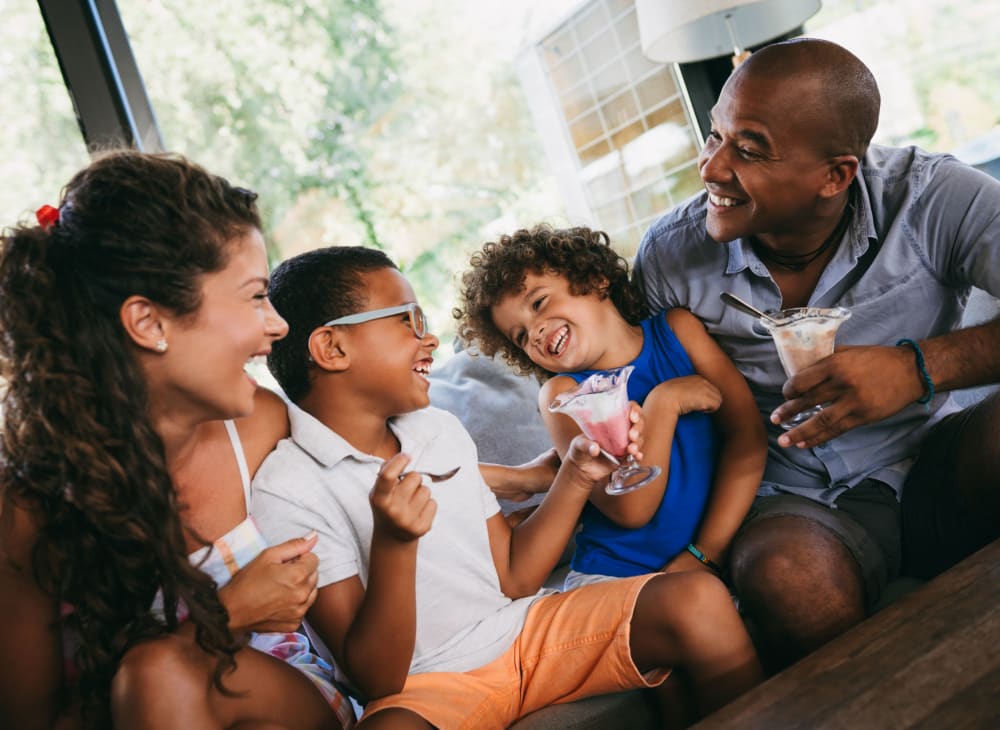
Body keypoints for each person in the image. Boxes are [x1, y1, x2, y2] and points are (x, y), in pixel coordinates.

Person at [251, 245, 763, 728]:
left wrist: (577, 474)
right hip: (427, 685)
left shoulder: (438, 428)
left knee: (697, 599)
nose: (428, 339)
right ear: (333, 347)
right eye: (408, 321)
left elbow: (515, 577)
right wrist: (395, 544)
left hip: (525, 631)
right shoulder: (286, 489)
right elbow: (376, 678)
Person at [633, 37, 1000, 670]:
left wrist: (919, 367)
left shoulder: (932, 198)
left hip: (938, 458)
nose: (713, 169)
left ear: (836, 175)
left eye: (748, 151)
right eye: (713, 137)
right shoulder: (670, 259)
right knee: (787, 578)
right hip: (795, 503)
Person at [0, 150, 352, 729]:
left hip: (281, 707)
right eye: (255, 295)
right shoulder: (29, 511)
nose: (279, 324)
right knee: (157, 671)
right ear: (150, 323)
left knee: (159, 669)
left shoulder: (261, 425)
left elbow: (371, 464)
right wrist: (227, 614)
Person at [455, 224, 766, 589]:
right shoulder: (562, 395)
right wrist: (664, 404)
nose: (535, 331)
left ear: (596, 279)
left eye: (539, 303)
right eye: (521, 336)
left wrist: (706, 552)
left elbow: (748, 439)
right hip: (615, 576)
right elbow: (631, 510)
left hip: (707, 556)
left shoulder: (678, 332)